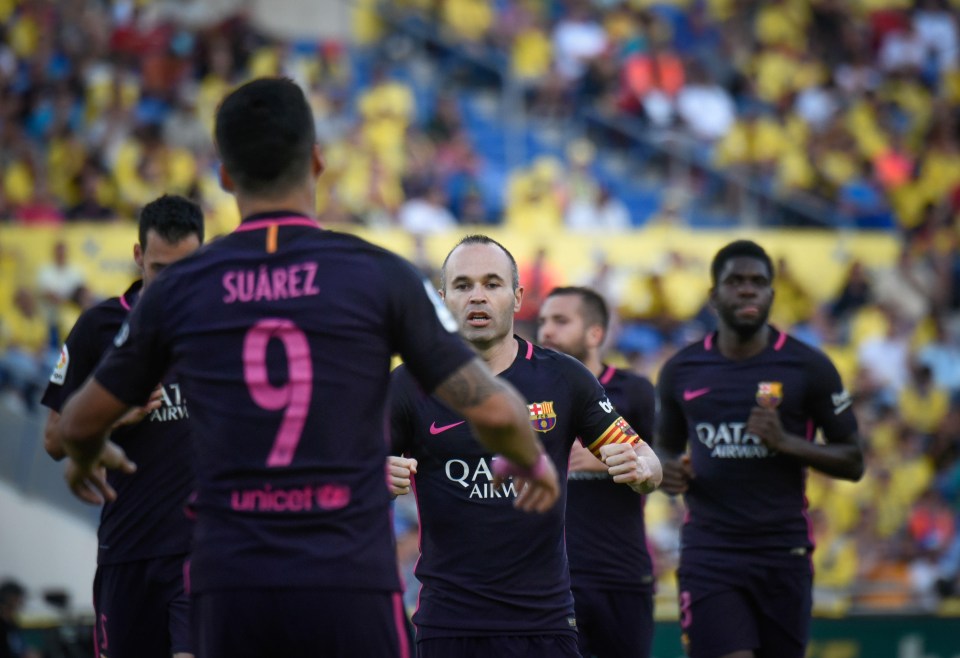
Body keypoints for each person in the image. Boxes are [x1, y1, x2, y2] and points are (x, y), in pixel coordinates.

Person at [52, 77, 559, 658]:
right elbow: (494, 407)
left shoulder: (178, 290)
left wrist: (87, 455)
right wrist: (532, 460)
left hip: (230, 580)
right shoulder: (380, 276)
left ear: (224, 176)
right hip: (348, 579)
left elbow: (78, 422)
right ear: (318, 162)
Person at [388, 235, 662, 658]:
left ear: (517, 297)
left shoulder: (564, 378)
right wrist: (376, 476)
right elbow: (348, 475)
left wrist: (643, 471)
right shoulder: (408, 385)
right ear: (442, 299)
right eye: (463, 286)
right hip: (449, 623)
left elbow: (646, 458)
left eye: (492, 284)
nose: (477, 296)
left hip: (545, 622)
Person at [654, 239, 864, 658]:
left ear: (772, 293)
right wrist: (666, 472)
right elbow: (663, 449)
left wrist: (785, 443)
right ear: (714, 295)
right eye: (735, 281)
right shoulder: (681, 370)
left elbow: (853, 460)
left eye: (758, 282)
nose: (747, 290)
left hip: (782, 551)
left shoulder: (809, 366)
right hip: (710, 552)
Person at [41, 194, 205, 658]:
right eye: (159, 269)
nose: (171, 285)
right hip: (127, 550)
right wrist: (113, 415)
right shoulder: (99, 328)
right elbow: (54, 439)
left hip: (199, 555)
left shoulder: (219, 329)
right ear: (138, 256)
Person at [537, 286, 656, 658]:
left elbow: (662, 466)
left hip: (618, 574)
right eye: (542, 321)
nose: (546, 332)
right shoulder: (525, 393)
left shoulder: (634, 391)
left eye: (560, 321)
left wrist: (613, 459)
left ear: (595, 334)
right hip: (547, 580)